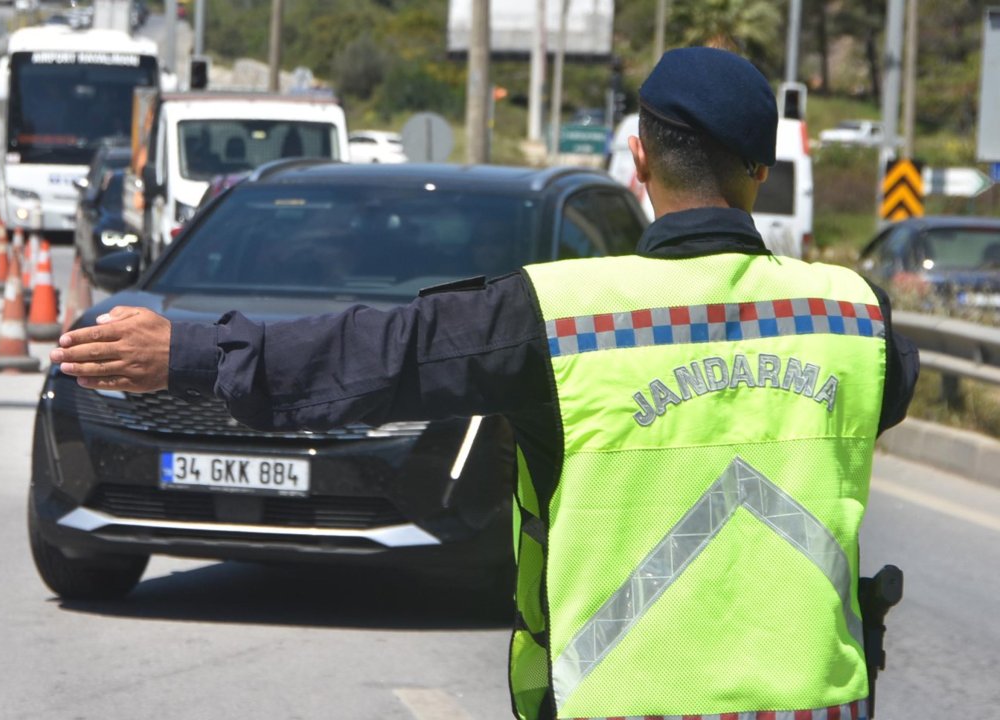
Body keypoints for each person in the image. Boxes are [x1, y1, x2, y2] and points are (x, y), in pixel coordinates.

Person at [50, 48, 919, 720]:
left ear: (640, 159)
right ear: (761, 169)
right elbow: (883, 389)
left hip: (623, 705)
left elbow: (380, 355)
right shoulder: (853, 319)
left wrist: (193, 352)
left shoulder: (561, 316)